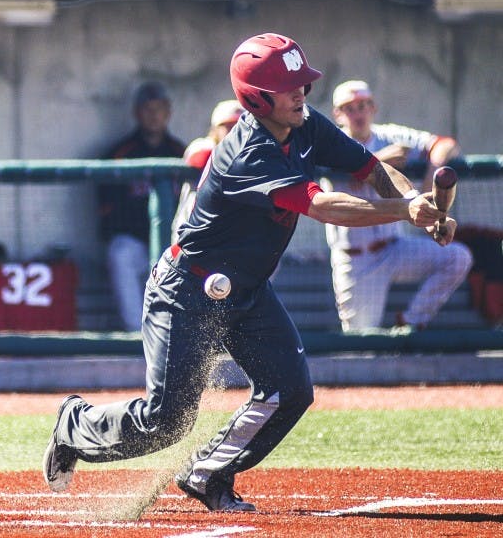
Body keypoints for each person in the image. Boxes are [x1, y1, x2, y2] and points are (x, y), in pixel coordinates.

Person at [43, 32, 456, 512]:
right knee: (166, 422)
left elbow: (369, 168)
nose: (301, 91)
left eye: (301, 81)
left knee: (291, 390)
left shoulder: (304, 123)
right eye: (288, 85)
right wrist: (405, 213)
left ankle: (208, 473)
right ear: (258, 96)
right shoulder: (249, 151)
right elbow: (322, 205)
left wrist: (414, 202)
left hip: (247, 289)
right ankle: (74, 424)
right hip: (187, 289)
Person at [323, 80, 473, 331]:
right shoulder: (330, 141)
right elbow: (344, 171)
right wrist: (380, 161)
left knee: (458, 257)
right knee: (361, 342)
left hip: (394, 249)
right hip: (356, 261)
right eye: (349, 108)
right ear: (337, 114)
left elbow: (445, 144)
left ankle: (411, 321)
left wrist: (431, 179)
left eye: (363, 105)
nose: (358, 113)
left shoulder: (388, 136)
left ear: (373, 107)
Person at [96, 81, 186, 331]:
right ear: (137, 113)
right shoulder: (120, 154)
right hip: (136, 244)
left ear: (168, 112)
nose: (154, 115)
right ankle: (137, 334)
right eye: (148, 109)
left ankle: (180, 335)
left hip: (173, 247)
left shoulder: (182, 153)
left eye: (159, 109)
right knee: (119, 252)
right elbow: (107, 213)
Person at [170, 99, 246, 244]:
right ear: (215, 129)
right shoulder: (202, 146)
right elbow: (198, 159)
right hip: (193, 233)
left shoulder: (253, 154)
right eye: (228, 126)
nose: (234, 131)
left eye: (239, 126)